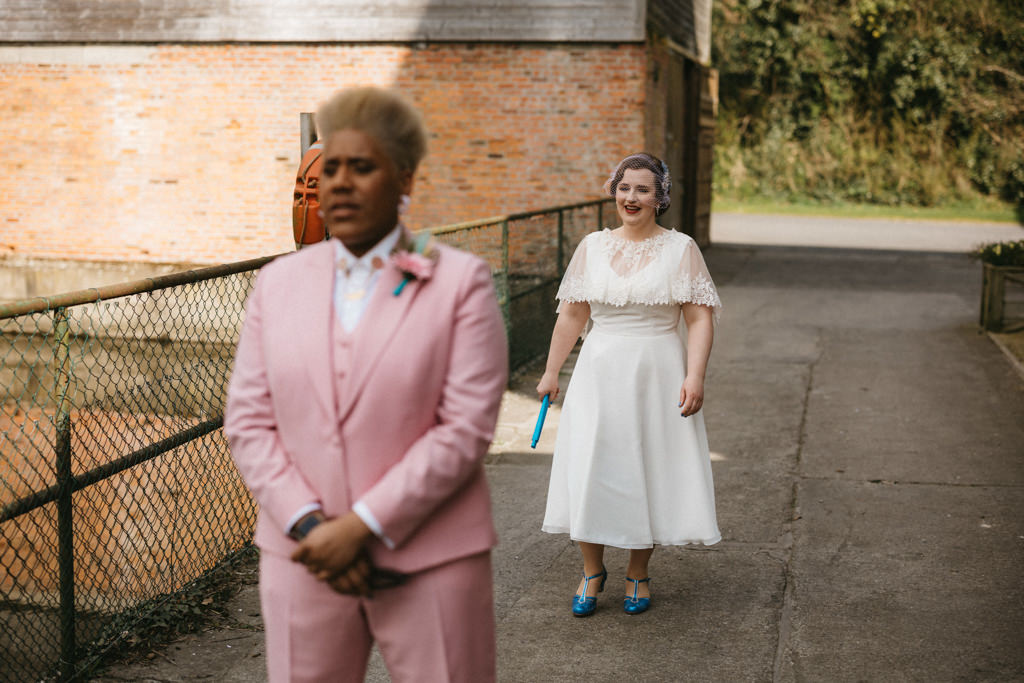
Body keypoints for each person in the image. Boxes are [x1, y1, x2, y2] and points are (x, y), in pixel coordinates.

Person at [224, 86, 508, 682]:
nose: (340, 183)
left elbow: (465, 429)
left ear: (403, 179)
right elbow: (248, 422)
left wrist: (360, 528)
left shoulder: (461, 283)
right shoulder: (277, 285)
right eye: (330, 169)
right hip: (304, 559)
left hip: (431, 556)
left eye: (362, 167)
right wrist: (309, 526)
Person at [536, 152, 722, 617]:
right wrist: (550, 371)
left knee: (647, 467)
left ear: (661, 197)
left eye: (642, 189)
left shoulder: (681, 250)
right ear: (613, 192)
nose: (630, 197)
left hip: (656, 371)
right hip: (598, 371)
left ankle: (638, 571)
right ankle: (591, 571)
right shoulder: (591, 248)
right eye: (623, 187)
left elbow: (699, 319)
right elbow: (573, 314)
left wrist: (695, 375)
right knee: (592, 464)